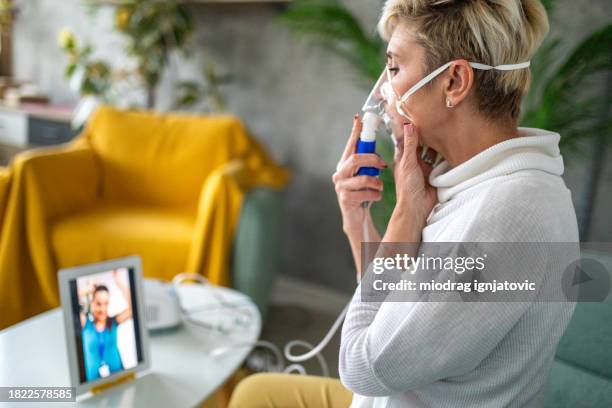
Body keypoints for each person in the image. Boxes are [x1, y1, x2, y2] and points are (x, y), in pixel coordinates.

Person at [229, 0, 578, 407]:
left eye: (394, 67)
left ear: (454, 82)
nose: (380, 90)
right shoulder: (471, 178)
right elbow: (393, 314)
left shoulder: (507, 214)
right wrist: (356, 220)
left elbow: (361, 365)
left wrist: (403, 218)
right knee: (255, 392)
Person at [80, 270, 133, 382]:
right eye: (98, 304)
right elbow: (68, 301)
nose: (103, 309)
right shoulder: (86, 324)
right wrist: (88, 289)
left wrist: (119, 282)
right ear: (92, 303)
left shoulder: (113, 322)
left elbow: (133, 308)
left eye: (106, 303)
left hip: (119, 379)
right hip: (93, 385)